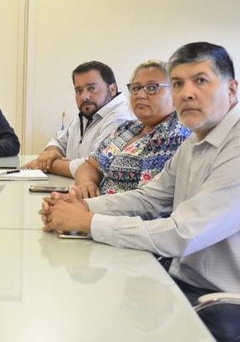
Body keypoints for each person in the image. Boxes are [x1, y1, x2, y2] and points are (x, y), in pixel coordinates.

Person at [41, 42, 240, 342]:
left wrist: (87, 222)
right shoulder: (195, 142)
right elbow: (148, 197)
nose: (186, 93)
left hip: (219, 303)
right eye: (178, 83)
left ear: (232, 90)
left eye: (200, 80)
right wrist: (81, 207)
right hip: (178, 279)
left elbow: (181, 233)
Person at [74, 60, 190, 197]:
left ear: (176, 93)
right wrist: (86, 184)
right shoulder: (128, 128)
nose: (140, 95)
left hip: (117, 209)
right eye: (136, 88)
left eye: (152, 88)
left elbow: (147, 200)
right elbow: (90, 165)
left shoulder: (174, 134)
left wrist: (89, 207)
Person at [24, 61, 133, 177]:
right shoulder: (88, 113)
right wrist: (51, 152)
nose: (84, 97)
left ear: (112, 89)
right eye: (79, 90)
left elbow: (95, 165)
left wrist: (46, 164)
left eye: (92, 88)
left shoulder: (121, 118)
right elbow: (59, 140)